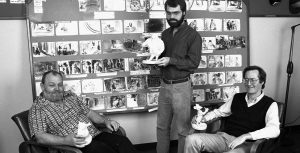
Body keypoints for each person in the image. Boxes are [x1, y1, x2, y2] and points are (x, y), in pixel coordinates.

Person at [28, 70, 138, 153]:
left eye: (60, 85)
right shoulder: (38, 108)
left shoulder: (70, 96)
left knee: (122, 142)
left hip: (95, 135)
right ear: (42, 86)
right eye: (52, 85)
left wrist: (105, 121)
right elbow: (40, 137)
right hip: (73, 145)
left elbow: (89, 113)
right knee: (103, 150)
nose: (57, 88)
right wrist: (66, 140)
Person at [184, 65, 280, 153]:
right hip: (225, 138)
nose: (249, 83)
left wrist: (246, 136)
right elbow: (218, 112)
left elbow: (274, 129)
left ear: (262, 82)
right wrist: (203, 119)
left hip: (247, 144)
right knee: (191, 139)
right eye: (246, 80)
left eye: (253, 80)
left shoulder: (270, 104)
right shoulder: (237, 97)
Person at [155, 0, 202, 153]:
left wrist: (171, 61)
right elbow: (162, 58)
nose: (171, 16)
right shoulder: (165, 34)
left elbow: (193, 63)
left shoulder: (193, 35)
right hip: (164, 85)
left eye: (175, 13)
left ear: (184, 13)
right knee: (161, 127)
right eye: (168, 13)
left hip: (182, 86)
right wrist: (154, 60)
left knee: (183, 129)